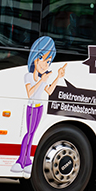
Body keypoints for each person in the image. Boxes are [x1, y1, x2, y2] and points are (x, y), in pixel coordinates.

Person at [11, 36, 67, 178]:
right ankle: (21, 160)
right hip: (31, 108)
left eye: (48, 61)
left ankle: (26, 161)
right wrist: (41, 80)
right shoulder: (29, 76)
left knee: (32, 133)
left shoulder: (44, 76)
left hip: (39, 108)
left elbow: (49, 91)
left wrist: (58, 77)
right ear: (35, 58)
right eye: (43, 59)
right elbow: (30, 93)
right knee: (29, 133)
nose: (45, 64)